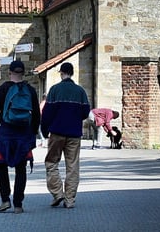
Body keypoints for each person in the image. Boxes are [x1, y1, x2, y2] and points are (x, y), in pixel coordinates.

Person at [0, 59, 40, 213]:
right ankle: (18, 204)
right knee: (21, 169)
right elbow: (37, 115)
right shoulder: (30, 90)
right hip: (23, 135)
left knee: (1, 167)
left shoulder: (2, 90)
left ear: (9, 72)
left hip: (5, 133)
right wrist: (32, 133)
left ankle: (5, 200)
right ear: (23, 73)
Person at [41, 61, 91, 209]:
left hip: (57, 132)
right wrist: (74, 118)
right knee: (73, 166)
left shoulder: (55, 90)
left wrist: (44, 130)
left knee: (51, 162)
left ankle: (57, 193)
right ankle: (69, 199)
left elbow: (47, 113)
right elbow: (85, 112)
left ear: (62, 73)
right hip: (74, 133)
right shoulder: (80, 91)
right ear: (73, 73)